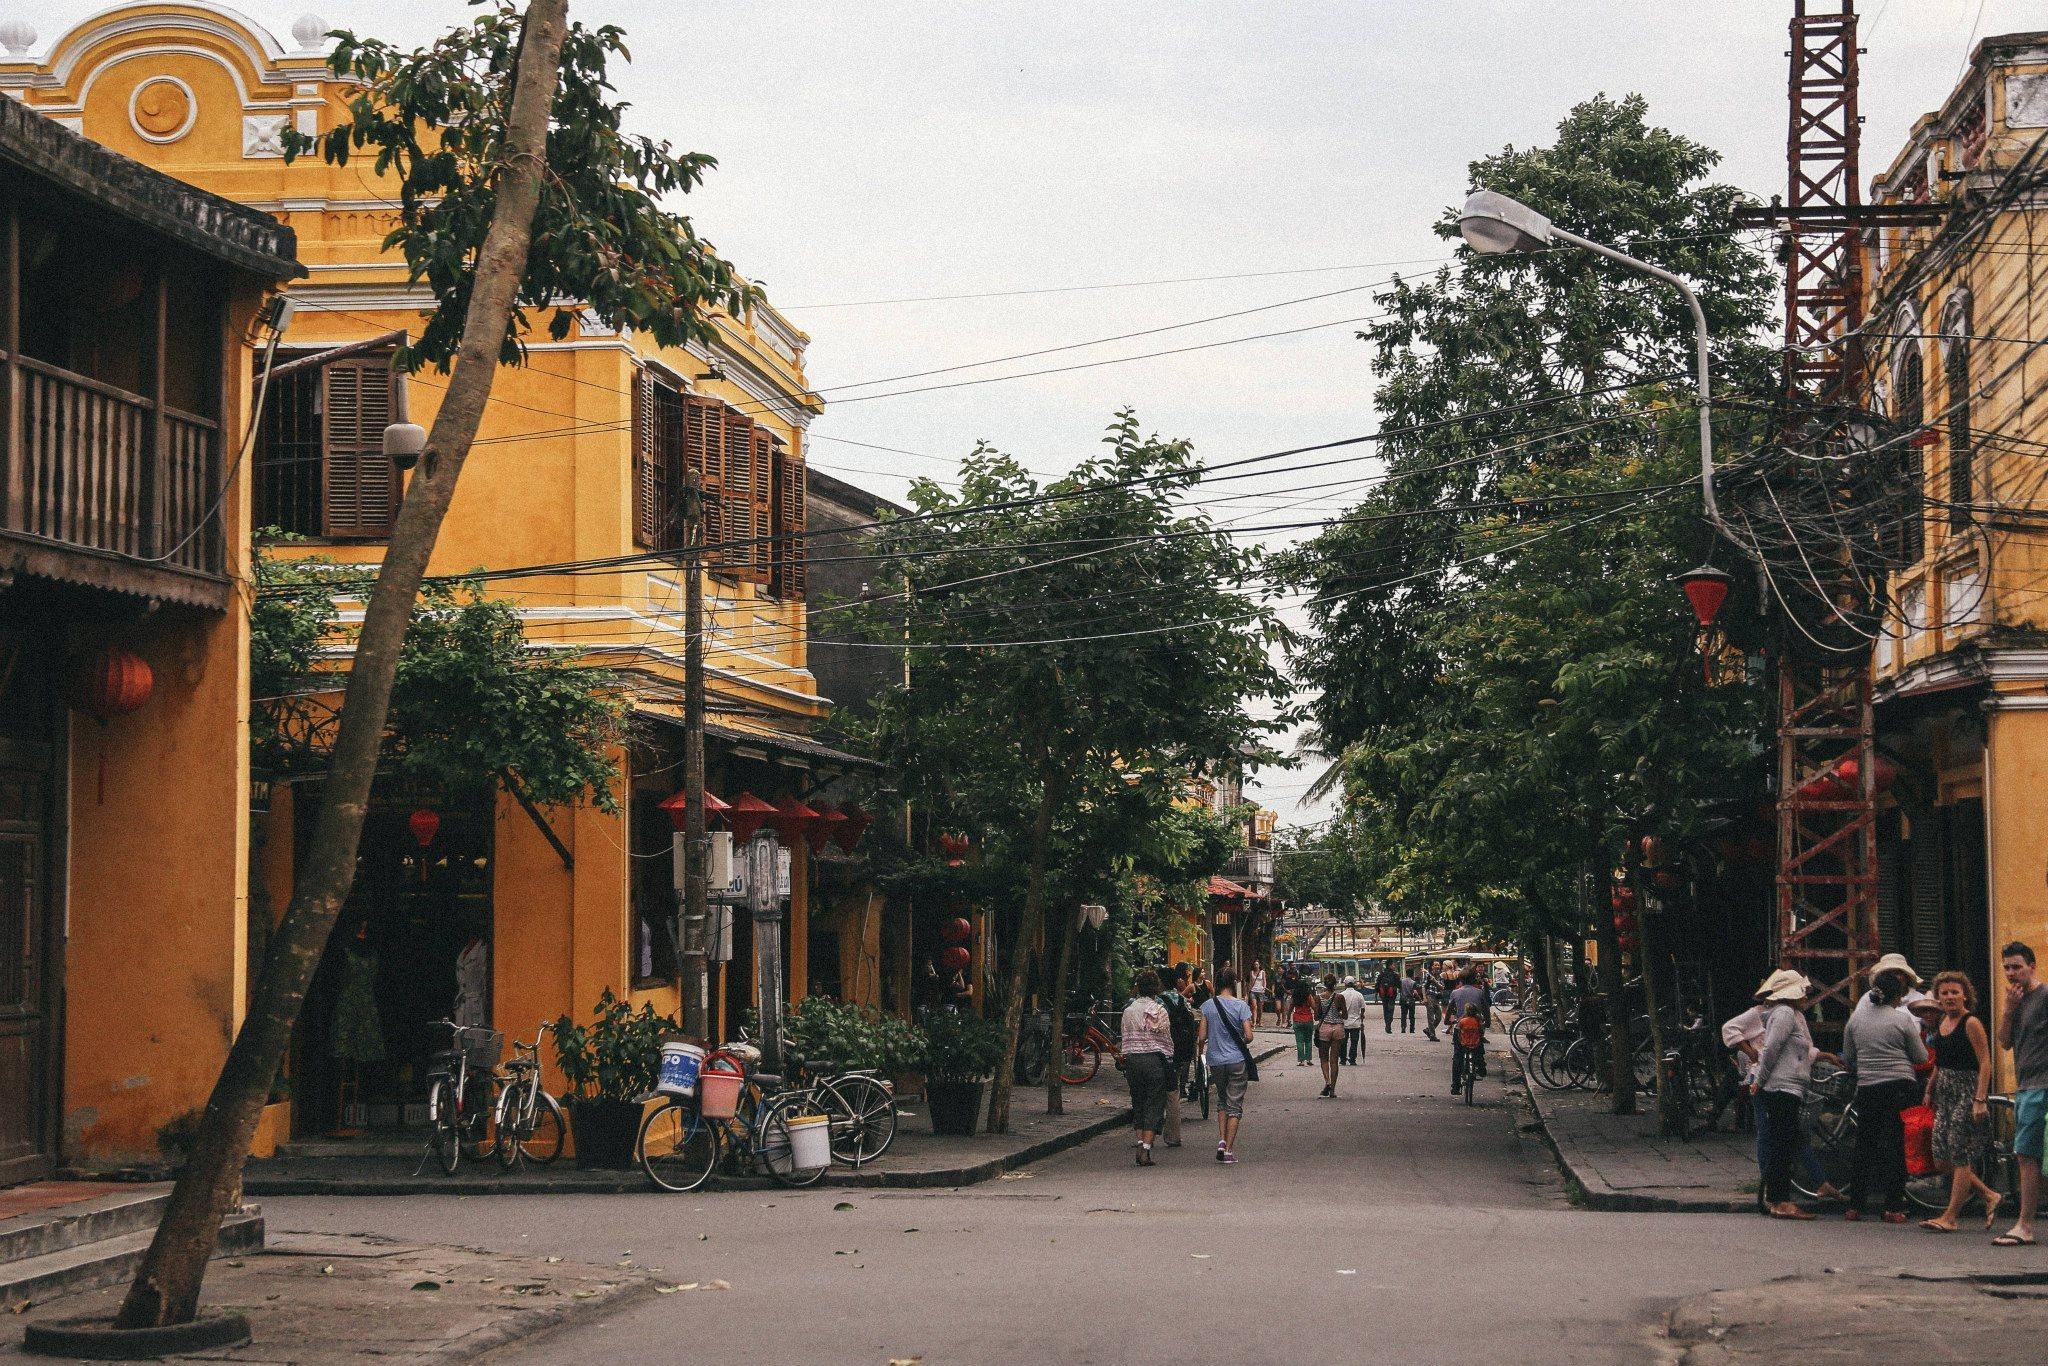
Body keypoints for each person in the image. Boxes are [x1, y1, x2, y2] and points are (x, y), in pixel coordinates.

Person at [1724, 983, 1840, 1207]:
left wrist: (1824, 1055)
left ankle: (1814, 1182)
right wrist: (1752, 1054)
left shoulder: (1795, 1016)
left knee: (1790, 1133)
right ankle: (1773, 1189)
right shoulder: (1768, 1014)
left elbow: (1803, 1048)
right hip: (1767, 1080)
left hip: (1784, 1080)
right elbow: (1737, 1033)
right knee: (1770, 1135)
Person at [1841, 954, 1929, 1223]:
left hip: (1867, 1087)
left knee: (1864, 1145)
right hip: (1899, 1087)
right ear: (1897, 996)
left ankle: (1855, 1205)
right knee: (1895, 1145)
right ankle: (1892, 1205)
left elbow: (1848, 1055)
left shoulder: (1855, 1020)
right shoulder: (1901, 1020)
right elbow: (1920, 1057)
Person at [1920, 969, 2001, 1232]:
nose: (1950, 997)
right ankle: (1989, 1194)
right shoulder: (1942, 1023)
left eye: (1955, 992)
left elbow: (1986, 1062)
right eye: (1944, 993)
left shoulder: (1971, 1023)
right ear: (1938, 998)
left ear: (1965, 995)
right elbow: (1939, 1063)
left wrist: (1980, 1099)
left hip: (1967, 1090)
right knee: (1941, 1157)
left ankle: (1951, 1216)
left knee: (1960, 1153)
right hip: (1945, 1092)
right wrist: (1930, 1090)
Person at [1754, 970, 1822, 1219]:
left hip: (1790, 1086)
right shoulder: (1783, 1013)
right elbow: (1771, 1049)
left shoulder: (1794, 1015)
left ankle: (1778, 1197)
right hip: (1781, 1087)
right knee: (1782, 1144)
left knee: (1784, 1142)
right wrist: (1760, 1080)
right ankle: (1779, 1199)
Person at [1996, 941, 2048, 1247]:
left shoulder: (2044, 996)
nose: (2012, 973)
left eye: (2017, 966)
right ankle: (2025, 1223)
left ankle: (2025, 1224)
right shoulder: (2014, 1001)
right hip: (2027, 1086)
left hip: (2042, 1085)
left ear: (2032, 966)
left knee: (2028, 1156)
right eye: (2007, 967)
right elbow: (2004, 1042)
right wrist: (2008, 1010)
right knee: (2027, 1156)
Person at [1197, 967, 1255, 1164]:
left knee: (1222, 1101)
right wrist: (1238, 1041)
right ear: (1233, 983)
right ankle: (1229, 1150)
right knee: (1235, 1105)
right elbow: (1248, 1036)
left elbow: (1202, 1036)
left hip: (1215, 1060)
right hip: (1236, 1060)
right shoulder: (1241, 1006)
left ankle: (1221, 1140)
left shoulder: (1207, 1006)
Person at [1121, 970, 1174, 1166]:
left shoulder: (1128, 1011)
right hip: (1154, 1062)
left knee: (1138, 1102)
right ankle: (1145, 1149)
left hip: (1133, 1061)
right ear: (1156, 989)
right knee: (1154, 1103)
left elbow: (1124, 1038)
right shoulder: (1160, 1010)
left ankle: (1139, 1142)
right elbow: (1166, 1040)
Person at [1157, 965, 1198, 1150]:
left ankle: (1148, 1130)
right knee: (1173, 1092)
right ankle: (1173, 1135)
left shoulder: (1156, 1002)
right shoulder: (1181, 1000)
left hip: (1160, 1050)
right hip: (1180, 1047)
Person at [1446, 971, 1490, 1081]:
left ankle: (1455, 1085)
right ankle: (1481, 1067)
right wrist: (1487, 1022)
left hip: (1460, 1028)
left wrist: (1447, 1021)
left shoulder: (1455, 993)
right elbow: (1486, 1010)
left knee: (1458, 1056)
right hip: (1476, 1026)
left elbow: (1449, 1009)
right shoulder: (1479, 993)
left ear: (1460, 980)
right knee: (1479, 1047)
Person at [1316, 973, 1348, 1098]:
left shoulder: (1319, 997)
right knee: (1334, 1060)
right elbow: (1345, 1015)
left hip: (1325, 1028)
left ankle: (1327, 1082)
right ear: (1335, 984)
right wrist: (1338, 1013)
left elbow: (1317, 1016)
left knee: (1324, 1058)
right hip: (1338, 1028)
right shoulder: (1340, 997)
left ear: (1324, 984)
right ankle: (1333, 1090)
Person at [1451, 1003, 1485, 1094]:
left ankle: (1456, 1085)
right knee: (1480, 1052)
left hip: (1464, 1044)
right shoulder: (1478, 1020)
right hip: (1475, 1044)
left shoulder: (1462, 1020)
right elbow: (1481, 1032)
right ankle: (1481, 1068)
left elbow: (1458, 1032)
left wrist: (1457, 1040)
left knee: (1457, 1058)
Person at [1289, 979, 1317, 1066]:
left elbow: (1290, 1007)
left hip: (1297, 1019)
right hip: (1308, 1019)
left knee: (1299, 1041)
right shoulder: (1308, 996)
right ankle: (1308, 1059)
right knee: (1308, 1040)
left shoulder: (1295, 996)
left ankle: (1301, 1060)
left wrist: (1287, 1017)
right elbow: (1314, 1007)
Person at [1340, 977, 1368, 1066]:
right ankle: (1352, 1059)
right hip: (1355, 1022)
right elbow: (1363, 1008)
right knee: (1354, 1042)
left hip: (1344, 1022)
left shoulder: (1341, 995)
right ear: (1354, 984)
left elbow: (1338, 1009)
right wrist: (1361, 1016)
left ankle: (1343, 1059)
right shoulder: (1359, 995)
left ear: (1345, 984)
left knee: (1343, 1042)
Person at [1375, 963, 1402, 1033]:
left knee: (1385, 1010)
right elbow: (1399, 985)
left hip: (1383, 996)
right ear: (1389, 965)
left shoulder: (1381, 974)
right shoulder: (1395, 975)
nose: (1394, 966)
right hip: (1391, 996)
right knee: (1390, 1010)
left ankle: (1387, 1024)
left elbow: (1377, 985)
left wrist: (1376, 996)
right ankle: (1388, 1025)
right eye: (1393, 965)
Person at [1422, 964, 1444, 1042]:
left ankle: (1429, 1030)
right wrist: (1424, 998)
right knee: (1430, 1017)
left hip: (1436, 998)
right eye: (1435, 965)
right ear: (1432, 967)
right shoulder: (1428, 975)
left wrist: (1435, 981)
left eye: (1438, 965)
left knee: (1439, 1017)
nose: (1437, 966)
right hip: (1429, 996)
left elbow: (1442, 987)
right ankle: (1432, 1035)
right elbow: (1423, 986)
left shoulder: (1440, 977)